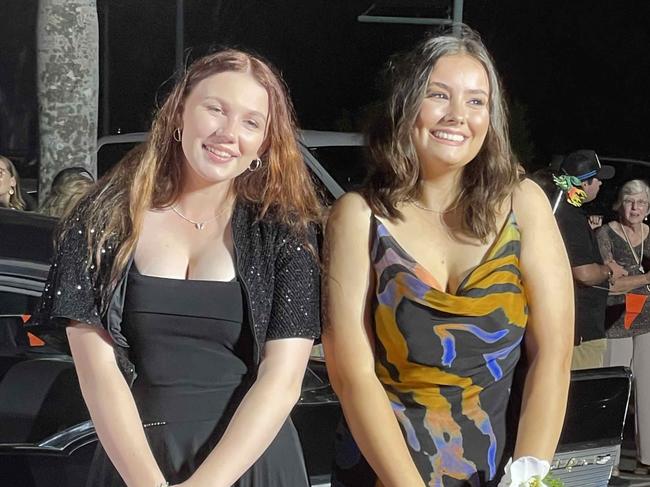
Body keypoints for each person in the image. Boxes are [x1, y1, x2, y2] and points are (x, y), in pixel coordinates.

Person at [36, 49, 322, 487]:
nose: (229, 133)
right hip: (135, 463)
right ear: (179, 113)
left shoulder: (282, 233)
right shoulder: (104, 219)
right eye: (216, 109)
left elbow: (282, 380)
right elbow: (97, 369)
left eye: (251, 122)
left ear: (265, 142)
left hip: (250, 465)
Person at [323, 27, 573, 487]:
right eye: (439, 95)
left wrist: (531, 473)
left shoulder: (524, 204)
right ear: (405, 106)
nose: (458, 115)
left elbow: (553, 355)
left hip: (496, 473)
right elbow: (351, 376)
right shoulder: (358, 216)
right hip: (381, 474)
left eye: (476, 101)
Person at [553, 150, 627, 370]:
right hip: (581, 332)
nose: (601, 185)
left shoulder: (558, 210)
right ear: (585, 184)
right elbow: (584, 274)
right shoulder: (570, 218)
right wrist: (608, 270)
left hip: (567, 327)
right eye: (598, 179)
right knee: (581, 396)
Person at [597, 179, 650, 475]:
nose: (635, 208)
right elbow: (611, 283)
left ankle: (648, 457)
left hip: (648, 322)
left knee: (649, 392)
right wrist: (644, 280)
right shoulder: (605, 234)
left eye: (641, 202)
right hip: (615, 321)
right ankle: (610, 461)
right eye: (630, 201)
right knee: (616, 392)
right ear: (620, 203)